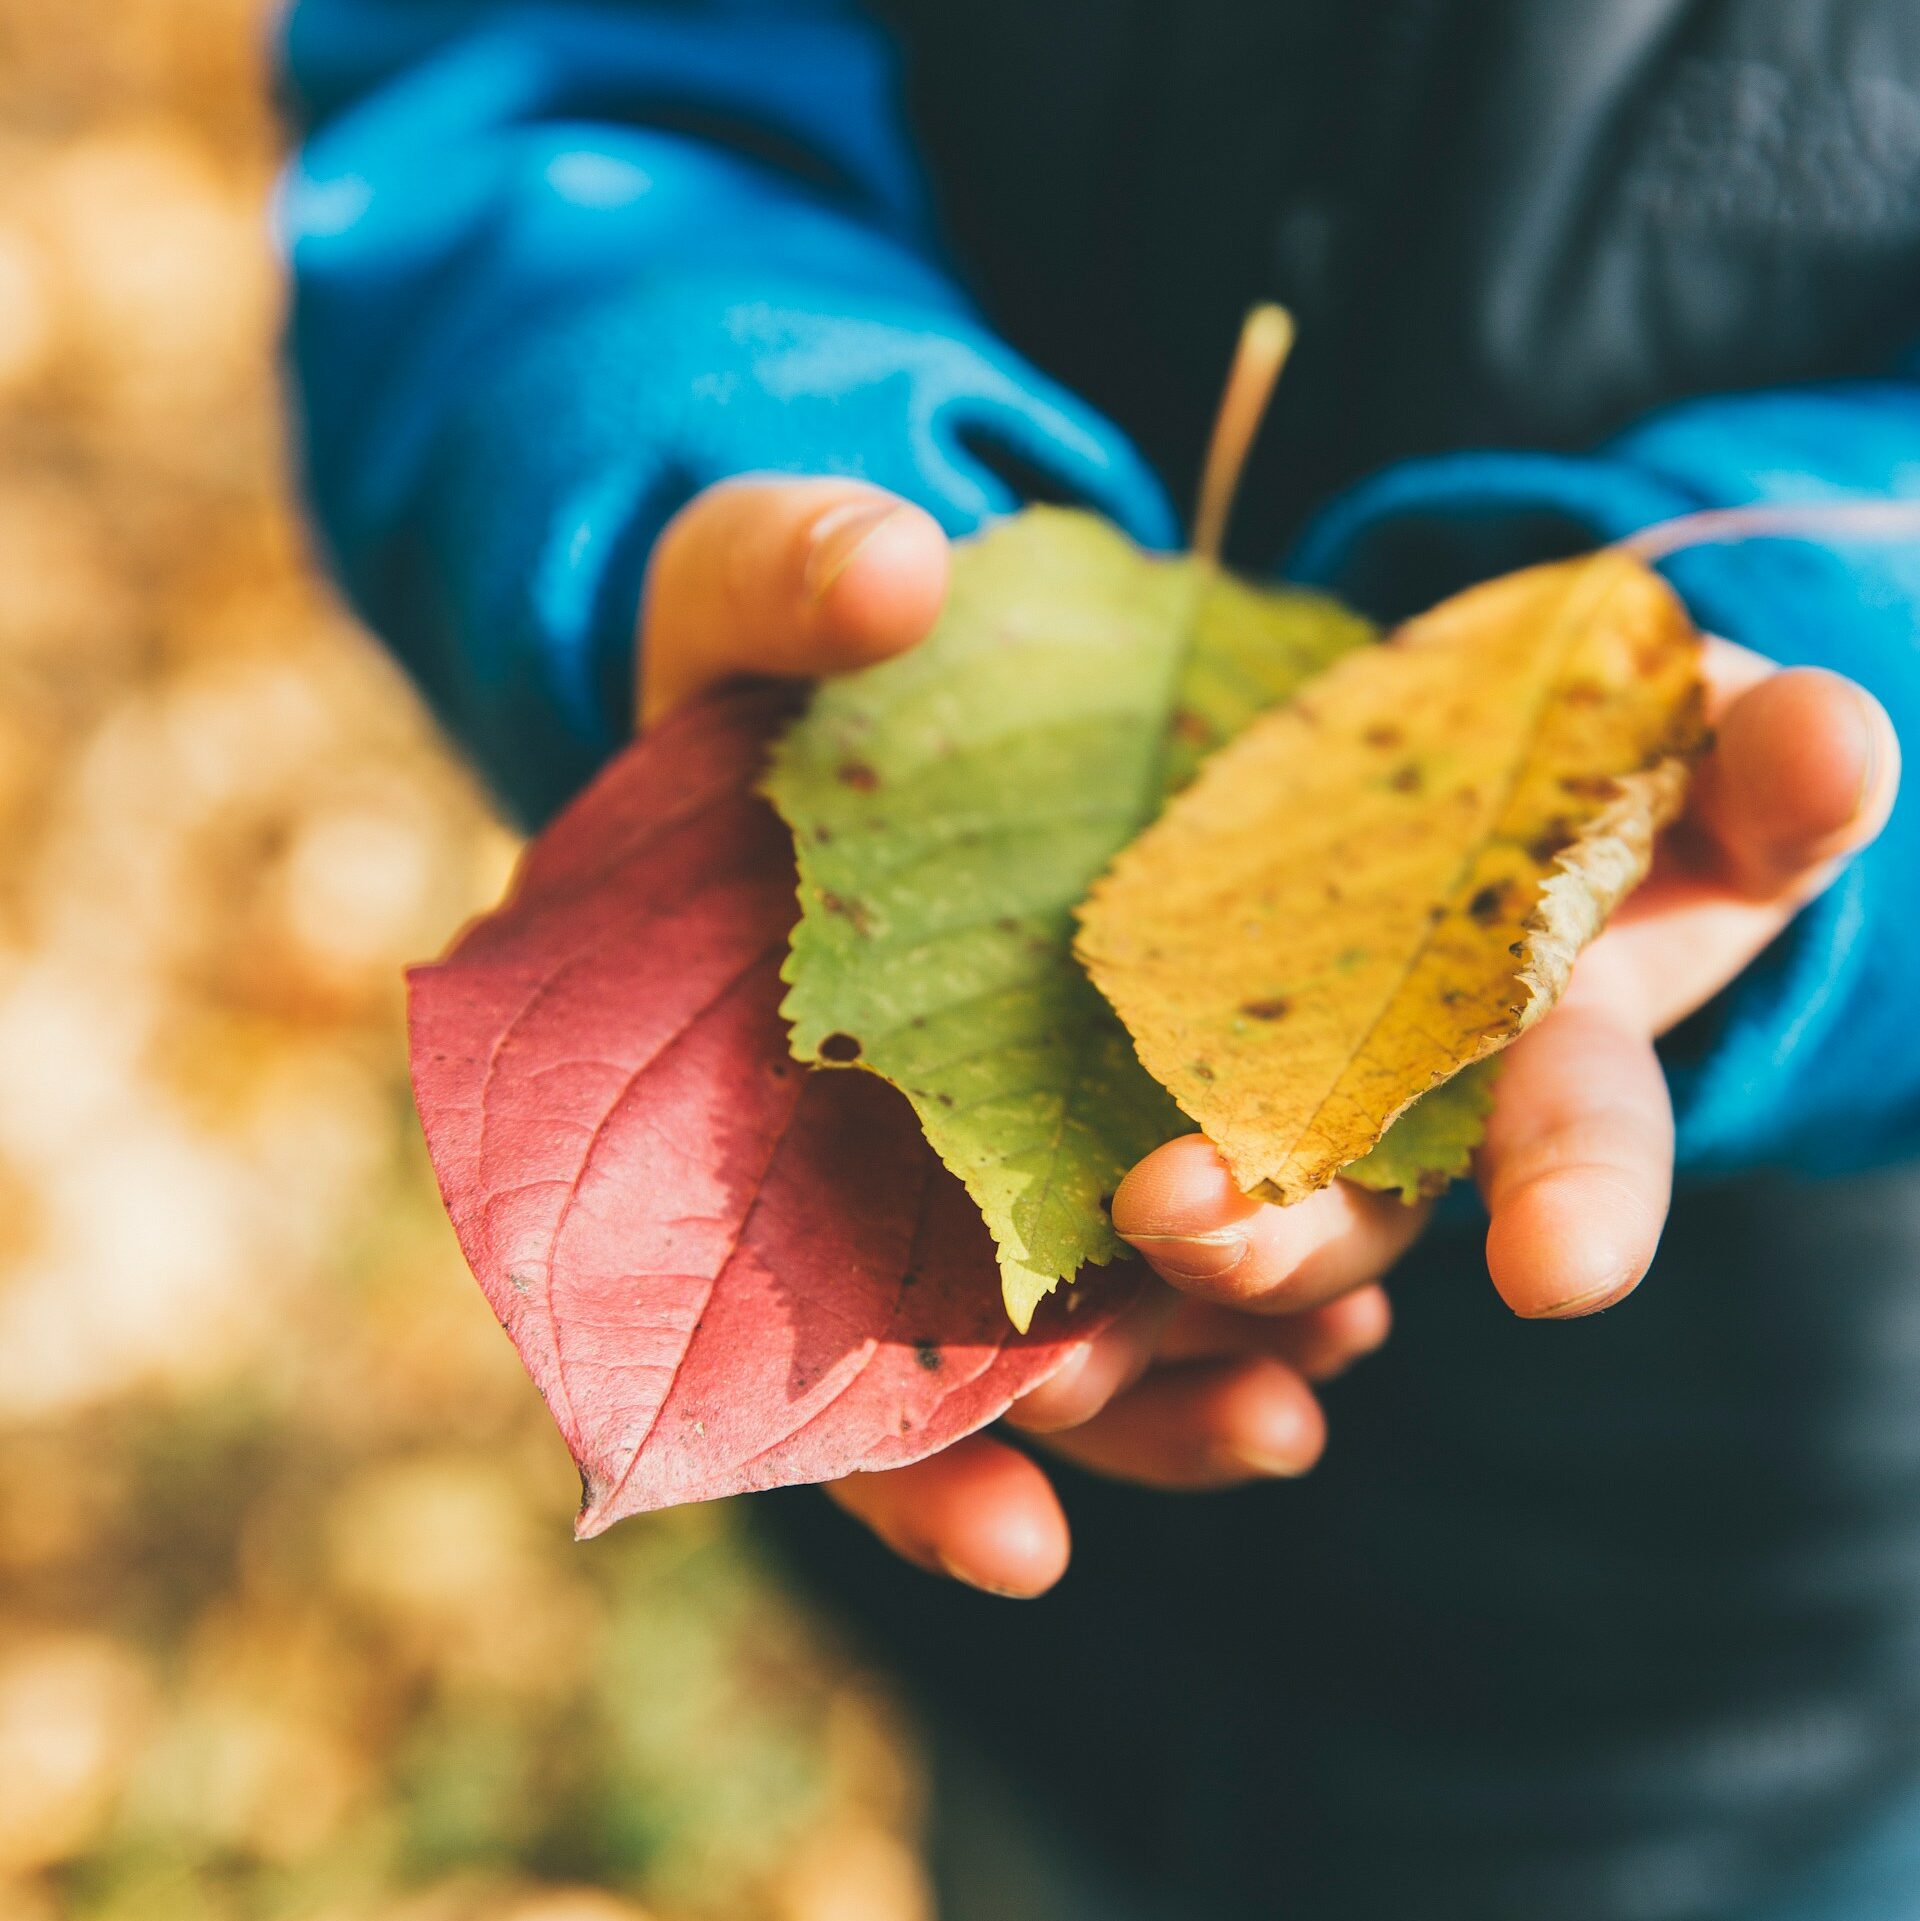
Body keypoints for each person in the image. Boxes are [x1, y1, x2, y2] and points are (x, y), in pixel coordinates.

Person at [279, 5, 1920, 1915]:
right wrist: (702, 444)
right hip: (1049, 1660)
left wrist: (1806, 660)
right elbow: (535, 84)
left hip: (1759, 1637)